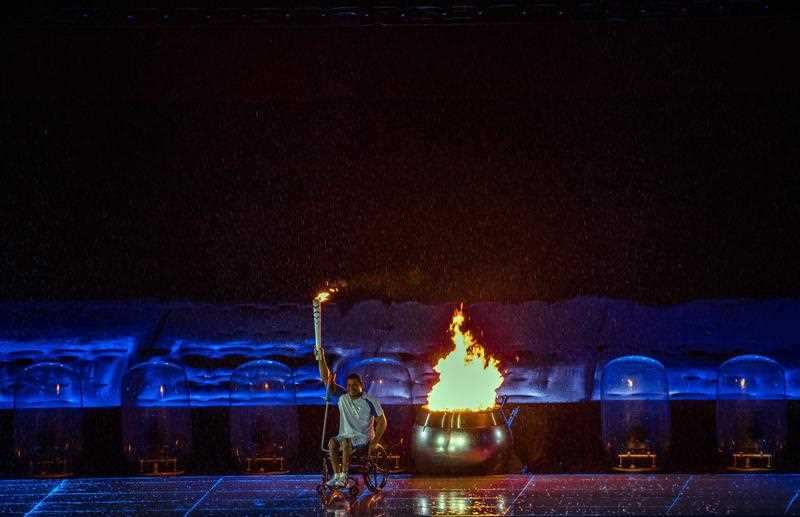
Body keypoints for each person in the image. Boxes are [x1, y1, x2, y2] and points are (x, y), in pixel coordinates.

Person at [316, 345, 387, 488]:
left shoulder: (370, 401)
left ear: (361, 385)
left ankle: (344, 477)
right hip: (346, 435)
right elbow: (326, 379)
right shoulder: (343, 398)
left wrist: (374, 442)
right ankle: (337, 476)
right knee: (332, 442)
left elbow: (382, 422)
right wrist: (321, 357)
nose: (351, 387)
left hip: (363, 437)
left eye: (355, 385)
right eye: (349, 385)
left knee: (346, 442)